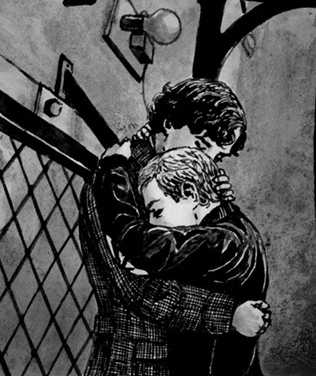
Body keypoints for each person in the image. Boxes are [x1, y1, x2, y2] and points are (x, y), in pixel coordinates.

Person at [79, 78, 270, 376]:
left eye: (217, 156)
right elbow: (136, 288)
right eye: (202, 145)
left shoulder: (189, 179)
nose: (208, 161)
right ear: (170, 123)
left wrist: (218, 208)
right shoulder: (113, 182)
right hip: (137, 361)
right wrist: (228, 315)